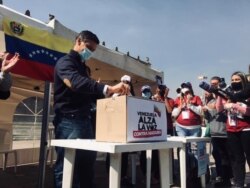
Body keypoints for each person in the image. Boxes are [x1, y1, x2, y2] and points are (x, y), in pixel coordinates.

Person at [53, 30, 130, 188]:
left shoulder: (84, 68)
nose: (89, 52)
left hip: (85, 121)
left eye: (93, 51)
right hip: (68, 121)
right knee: (67, 168)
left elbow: (88, 94)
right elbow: (74, 83)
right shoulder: (65, 62)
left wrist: (113, 97)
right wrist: (109, 88)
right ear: (78, 41)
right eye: (88, 47)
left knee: (87, 167)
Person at [217, 71, 250, 188]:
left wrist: (235, 105)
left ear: (243, 80)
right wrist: (219, 95)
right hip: (231, 129)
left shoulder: (247, 92)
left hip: (246, 129)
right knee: (237, 159)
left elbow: (248, 111)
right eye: (233, 80)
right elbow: (219, 109)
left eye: (237, 80)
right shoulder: (229, 92)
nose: (234, 82)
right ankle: (239, 183)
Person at [202, 76, 232, 187]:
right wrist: (205, 110)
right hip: (215, 133)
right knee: (217, 155)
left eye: (215, 83)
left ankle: (230, 177)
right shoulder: (210, 100)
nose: (213, 85)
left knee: (228, 156)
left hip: (225, 132)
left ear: (219, 84)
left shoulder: (225, 97)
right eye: (211, 84)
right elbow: (208, 118)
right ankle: (221, 176)